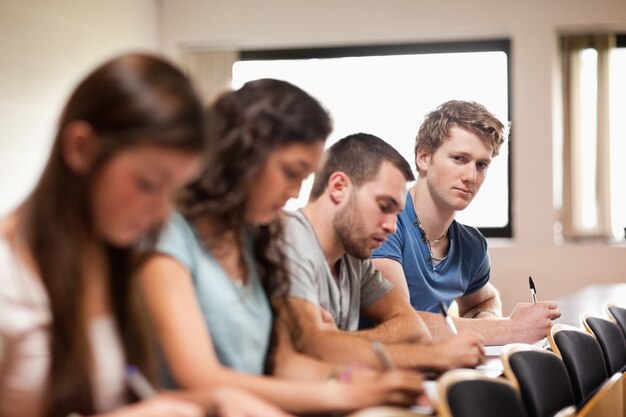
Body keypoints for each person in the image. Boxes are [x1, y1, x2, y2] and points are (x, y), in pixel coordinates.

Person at [0, 53, 290, 417]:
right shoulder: (8, 275)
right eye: (149, 184)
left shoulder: (108, 252)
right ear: (81, 148)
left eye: (174, 192)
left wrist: (216, 402)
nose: (161, 214)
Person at [136, 79, 426, 415]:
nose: (295, 192)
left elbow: (285, 365)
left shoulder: (257, 239)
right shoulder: (168, 234)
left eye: (305, 176)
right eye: (291, 172)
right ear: (244, 154)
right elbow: (202, 378)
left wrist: (353, 378)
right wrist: (346, 395)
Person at [278, 133, 485, 372]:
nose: (392, 226)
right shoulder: (286, 240)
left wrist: (336, 342)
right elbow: (309, 349)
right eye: (384, 206)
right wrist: (434, 356)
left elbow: (414, 329)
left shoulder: (355, 262)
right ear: (338, 187)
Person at [371, 100, 561, 344]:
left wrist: (487, 319)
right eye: (459, 158)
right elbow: (399, 324)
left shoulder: (471, 245)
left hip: (434, 371)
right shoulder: (382, 222)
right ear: (423, 157)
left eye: (481, 164)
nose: (471, 176)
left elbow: (485, 299)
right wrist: (509, 329)